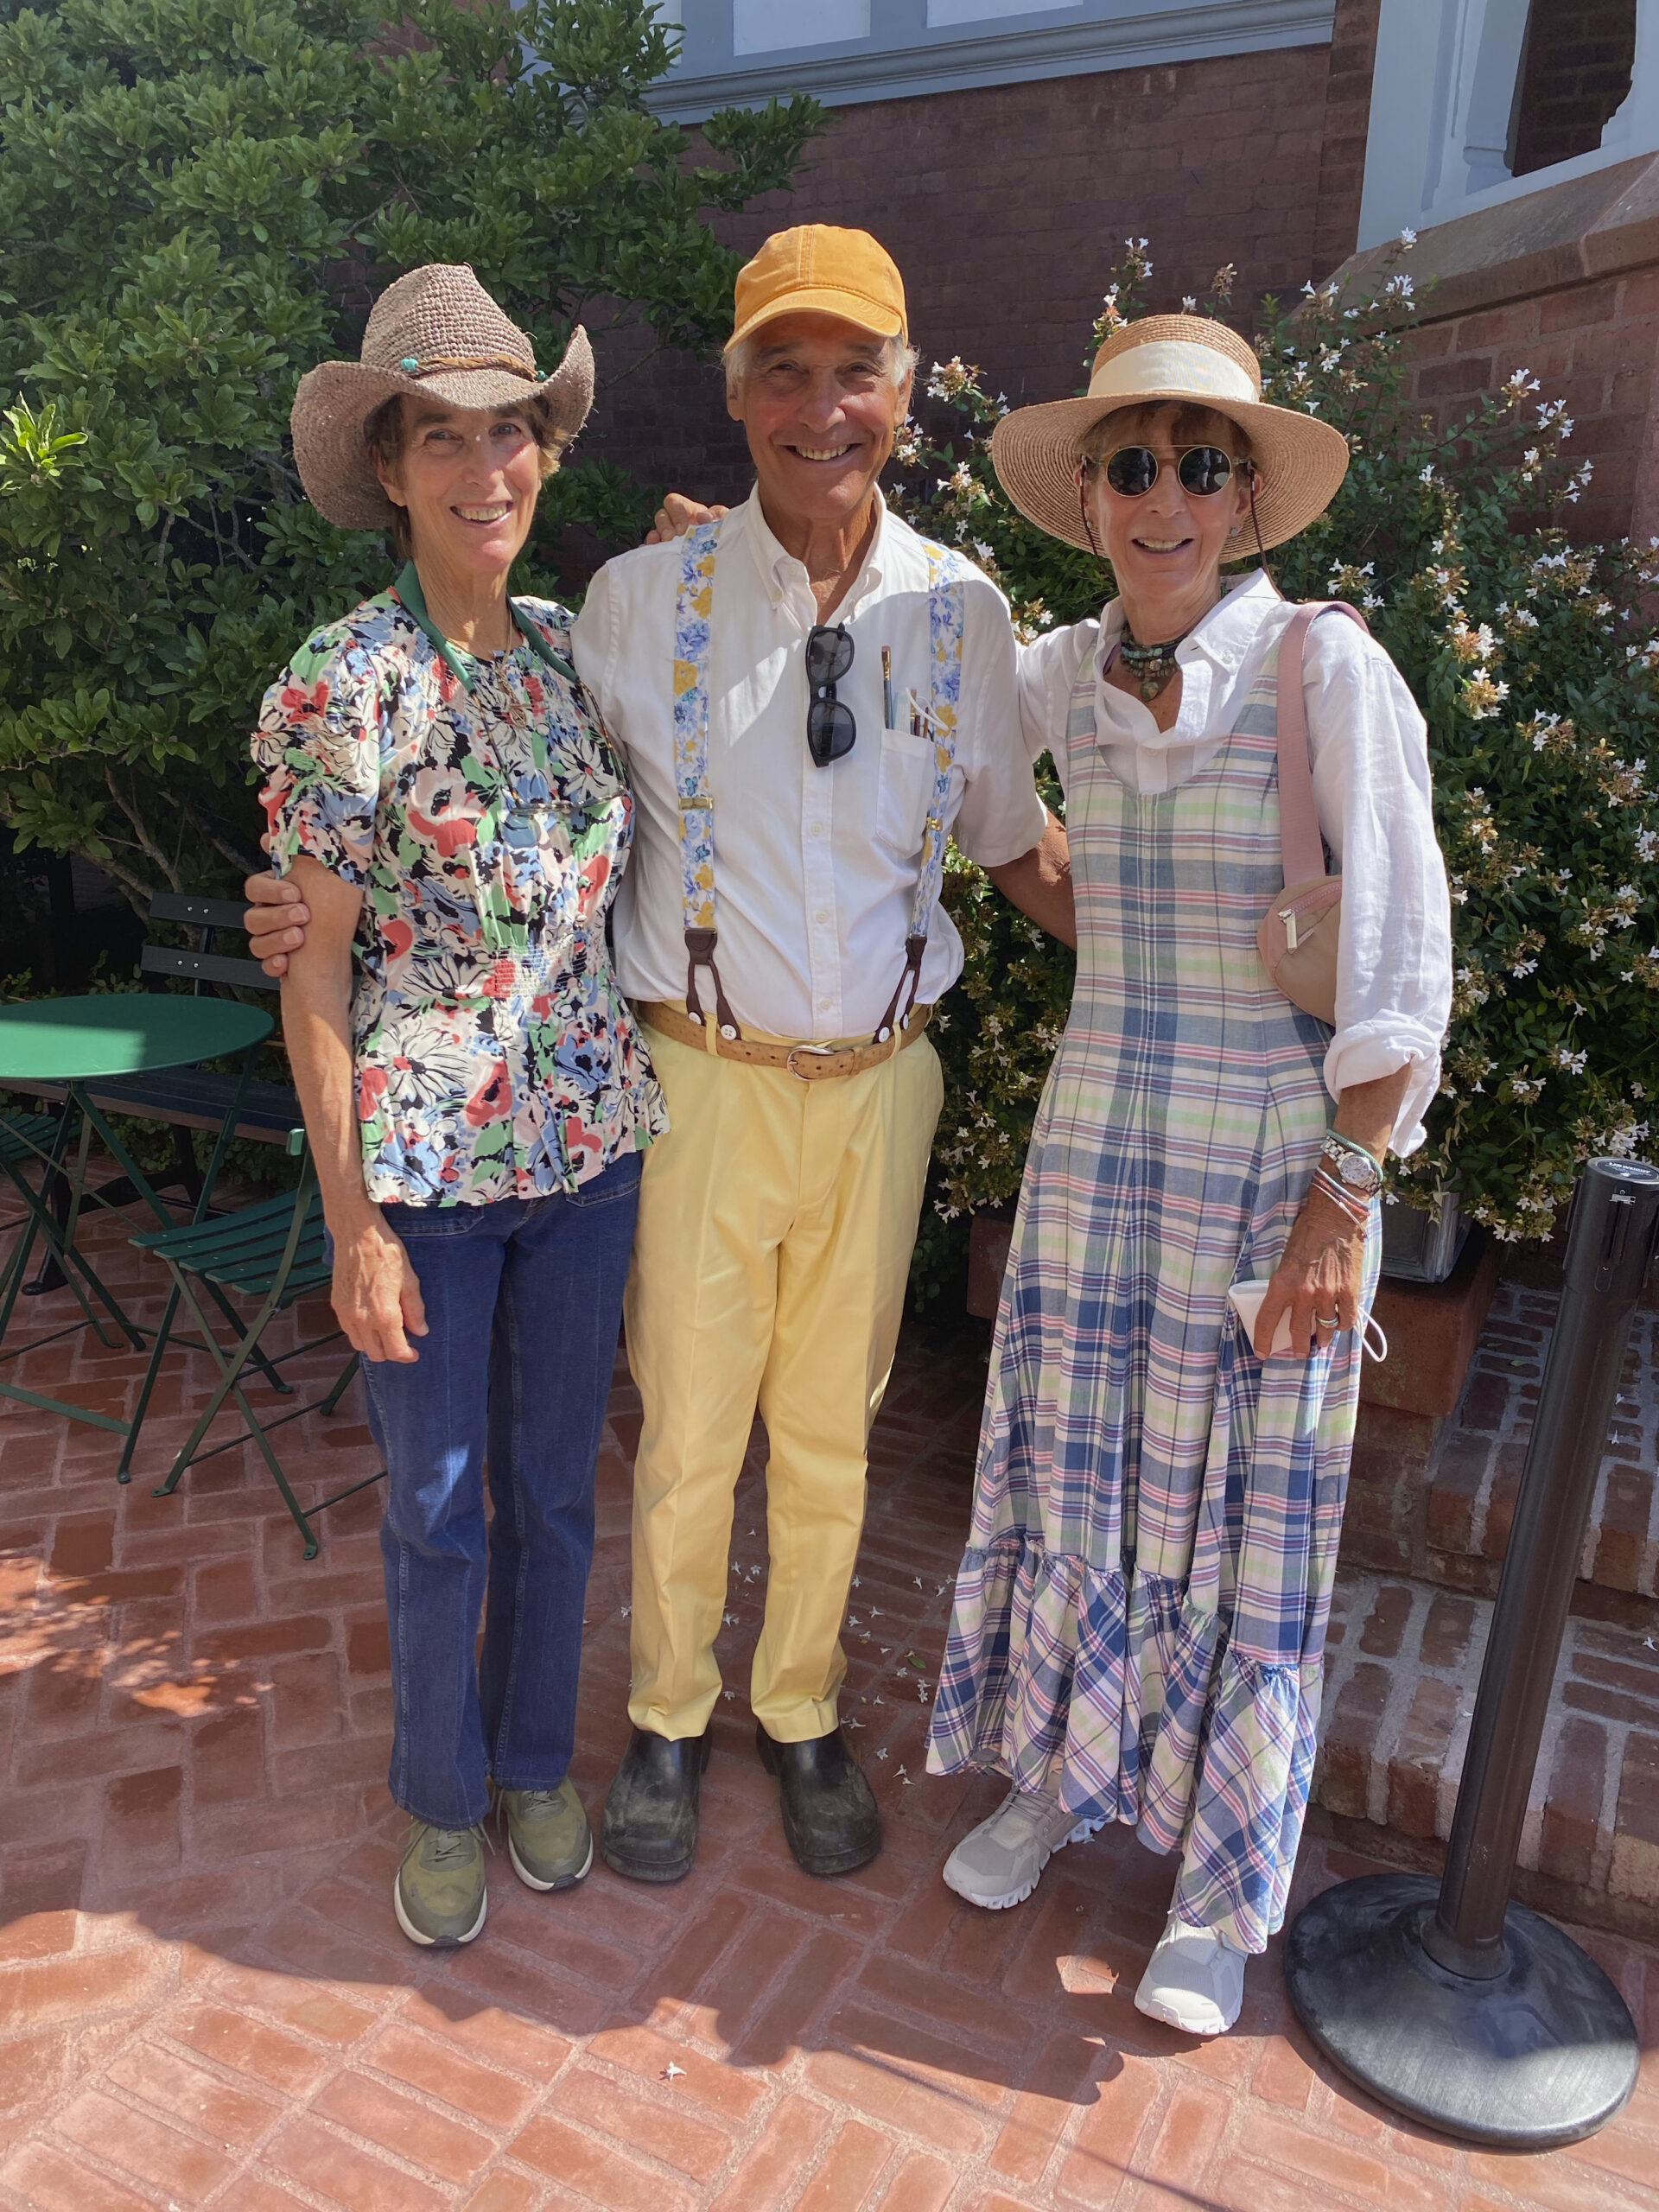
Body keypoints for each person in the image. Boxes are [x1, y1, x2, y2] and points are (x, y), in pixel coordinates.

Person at [246, 226, 1071, 1886]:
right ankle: (661, 1726)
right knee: (676, 1435)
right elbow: (344, 891)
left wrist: (1206, 954)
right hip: (670, 1081)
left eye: (855, 370)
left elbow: (1017, 847)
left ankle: (804, 1707)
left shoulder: (951, 613)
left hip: (848, 1090)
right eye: (782, 368)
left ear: (906, 396)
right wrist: (303, 935)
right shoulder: (617, 609)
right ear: (736, 394)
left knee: (823, 1425)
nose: (819, 405)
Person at [924, 314, 1452, 2035]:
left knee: (1252, 1527)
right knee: (1078, 1486)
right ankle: (1062, 1781)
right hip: (1094, 1149)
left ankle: (1222, 1897)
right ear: (1086, 491)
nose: (1164, 495)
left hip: (1265, 1163)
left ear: (1243, 496)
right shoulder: (1062, 674)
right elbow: (1014, 829)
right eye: (1133, 461)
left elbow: (1398, 958)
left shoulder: (1325, 671)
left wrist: (1341, 1205)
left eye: (1198, 464)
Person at [254, 264, 665, 1948]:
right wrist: (350, 1219)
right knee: (436, 1512)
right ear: (395, 464)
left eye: (509, 433)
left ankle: (529, 1760)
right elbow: (314, 973)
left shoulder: (584, 655)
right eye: (445, 436)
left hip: (585, 1152)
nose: (482, 468)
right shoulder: (347, 681)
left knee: (561, 1490)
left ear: (545, 453)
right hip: (423, 1173)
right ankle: (438, 1795)